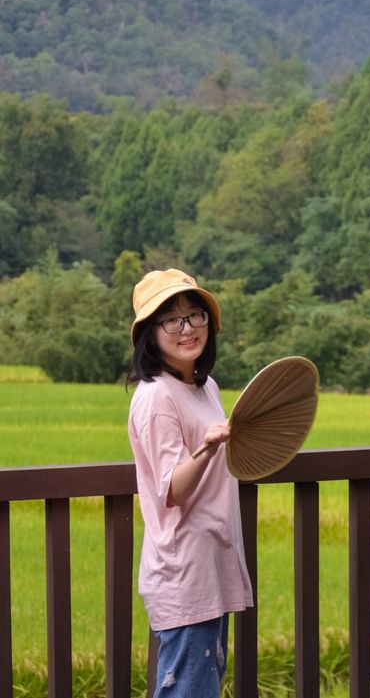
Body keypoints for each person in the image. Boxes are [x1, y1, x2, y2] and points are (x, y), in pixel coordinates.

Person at [127, 267, 253, 698]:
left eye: (195, 315)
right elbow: (172, 489)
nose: (188, 329)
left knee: (201, 688)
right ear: (150, 333)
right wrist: (207, 447)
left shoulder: (205, 386)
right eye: (172, 320)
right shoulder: (156, 396)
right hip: (184, 571)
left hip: (211, 563)